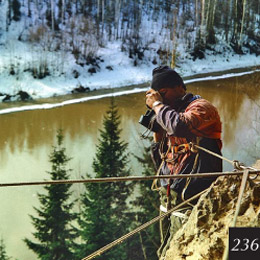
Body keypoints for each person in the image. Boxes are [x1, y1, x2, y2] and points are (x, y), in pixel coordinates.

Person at [145, 66, 222, 259]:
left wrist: (157, 106)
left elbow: (179, 126)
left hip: (191, 194)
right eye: (158, 96)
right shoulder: (171, 111)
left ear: (179, 87)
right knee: (165, 249)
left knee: (180, 250)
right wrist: (157, 125)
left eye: (163, 94)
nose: (162, 99)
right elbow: (160, 154)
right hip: (170, 192)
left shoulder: (202, 108)